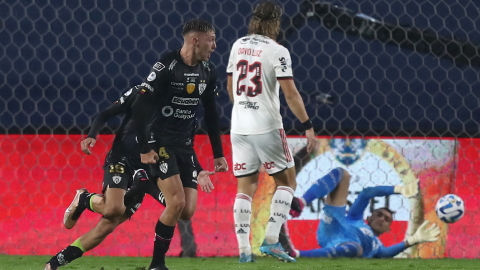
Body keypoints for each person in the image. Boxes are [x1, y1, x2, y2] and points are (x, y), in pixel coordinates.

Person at [44, 87, 214, 270]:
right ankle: (84, 198)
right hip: (122, 159)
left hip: (149, 167)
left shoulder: (182, 108)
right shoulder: (141, 93)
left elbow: (184, 144)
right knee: (113, 208)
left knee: (107, 226)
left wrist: (197, 170)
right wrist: (92, 135)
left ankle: (55, 263)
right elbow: (105, 114)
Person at [131, 18, 228, 270]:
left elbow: (211, 112)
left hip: (186, 145)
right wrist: (144, 147)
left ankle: (145, 182)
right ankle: (156, 265)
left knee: (186, 210)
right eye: (211, 39)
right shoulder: (166, 65)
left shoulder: (208, 70)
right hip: (160, 143)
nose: (215, 45)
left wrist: (218, 153)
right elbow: (140, 106)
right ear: (195, 40)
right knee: (175, 203)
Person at [226, 0, 317, 263]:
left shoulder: (237, 45)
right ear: (276, 22)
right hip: (266, 126)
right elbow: (291, 93)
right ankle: (271, 241)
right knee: (287, 182)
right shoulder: (278, 51)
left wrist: (244, 110)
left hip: (239, 127)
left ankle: (244, 251)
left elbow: (231, 89)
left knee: (245, 188)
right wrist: (307, 126)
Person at [288, 167, 441, 258]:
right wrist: (399, 189)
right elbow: (367, 193)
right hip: (334, 225)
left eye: (387, 219)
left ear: (388, 229)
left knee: (356, 248)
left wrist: (413, 240)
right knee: (342, 174)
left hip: (346, 245)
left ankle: (297, 254)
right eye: (379, 214)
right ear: (369, 216)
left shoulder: (376, 245)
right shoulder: (355, 217)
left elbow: (385, 254)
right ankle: (302, 202)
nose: (382, 219)